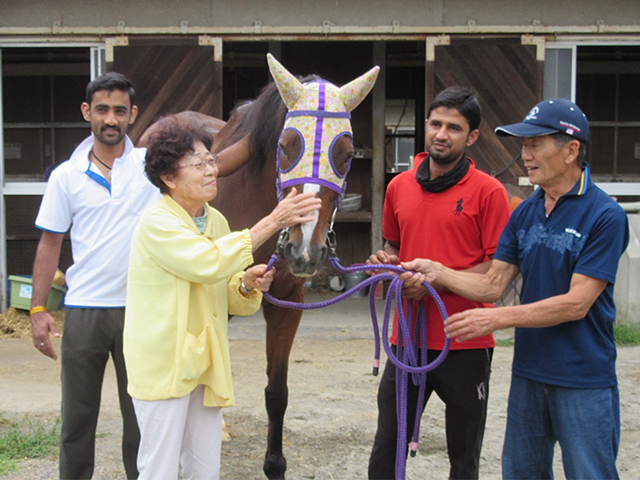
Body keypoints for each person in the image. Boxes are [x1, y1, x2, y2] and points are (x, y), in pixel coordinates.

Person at [403, 99, 629, 479]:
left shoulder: (605, 215)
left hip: (583, 379)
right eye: (522, 145)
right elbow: (493, 283)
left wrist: (494, 320)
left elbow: (577, 303)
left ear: (571, 150)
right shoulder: (525, 210)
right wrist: (436, 272)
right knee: (522, 474)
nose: (524, 155)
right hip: (528, 374)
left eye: (534, 145)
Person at [123, 119, 321, 480]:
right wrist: (273, 221)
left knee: (205, 469)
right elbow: (206, 262)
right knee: (159, 470)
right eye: (199, 165)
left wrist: (245, 285)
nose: (212, 171)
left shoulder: (214, 219)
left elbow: (226, 290)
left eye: (211, 161)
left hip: (204, 363)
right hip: (165, 366)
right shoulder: (157, 223)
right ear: (169, 178)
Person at [367, 87, 511, 479]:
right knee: (386, 448)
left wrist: (439, 280)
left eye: (454, 128)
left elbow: (497, 269)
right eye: (435, 124)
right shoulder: (399, 187)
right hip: (408, 339)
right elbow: (395, 247)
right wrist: (386, 263)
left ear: (472, 137)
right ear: (426, 127)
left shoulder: (489, 192)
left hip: (466, 337)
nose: (441, 134)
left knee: (463, 456)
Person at [30, 72, 162, 479]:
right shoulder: (65, 177)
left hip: (140, 310)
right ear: (87, 112)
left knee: (140, 419)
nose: (111, 119)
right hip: (85, 311)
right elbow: (50, 243)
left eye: (120, 111)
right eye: (102, 109)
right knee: (77, 420)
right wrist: (38, 308)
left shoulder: (150, 168)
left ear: (132, 115)